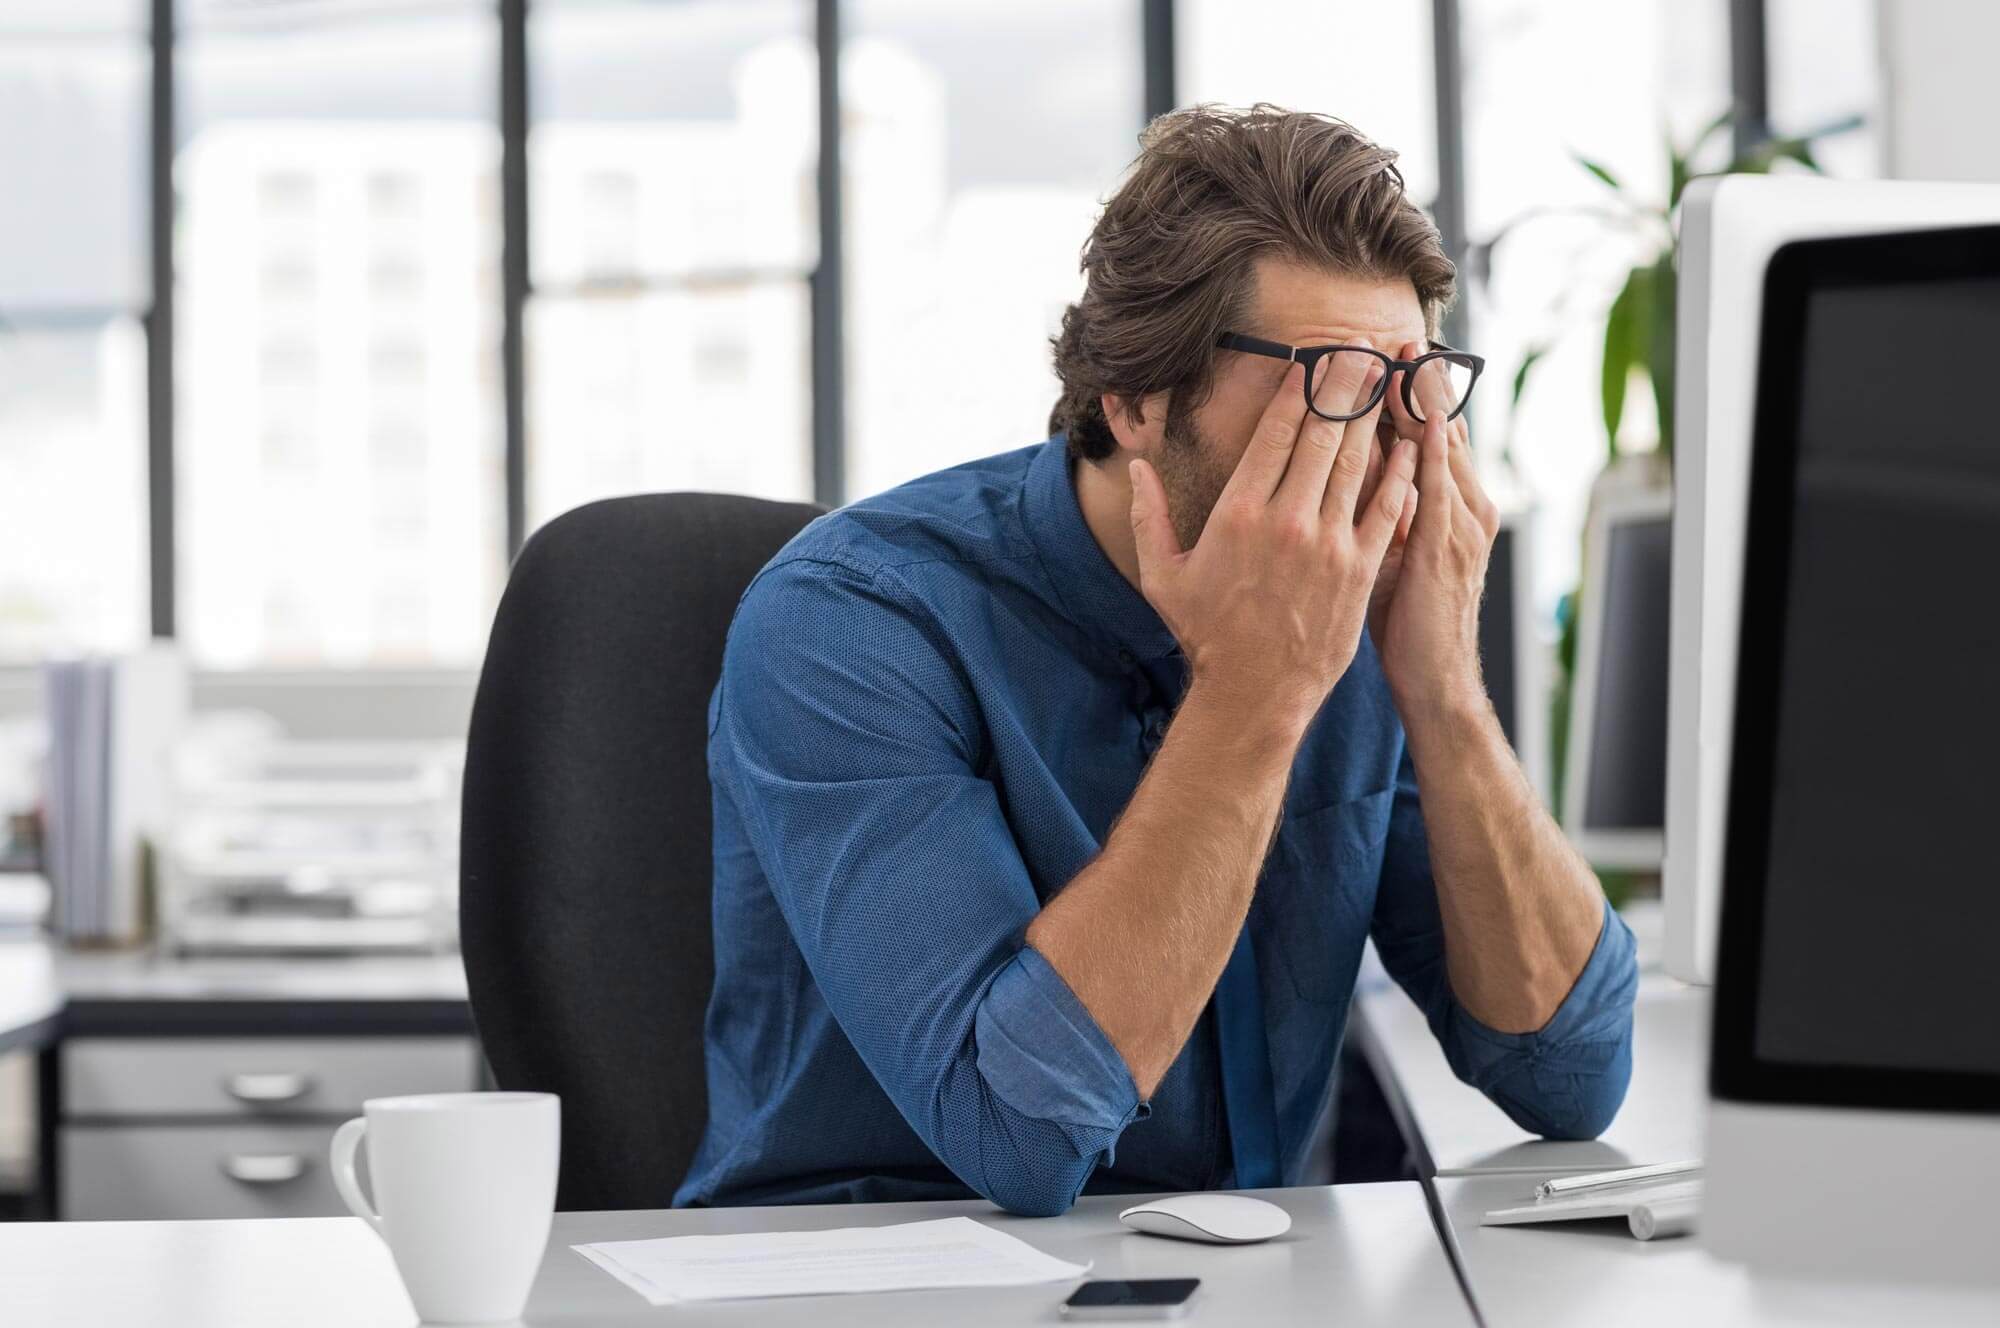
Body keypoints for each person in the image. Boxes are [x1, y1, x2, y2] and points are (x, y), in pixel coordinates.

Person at [676, 104, 1637, 1216]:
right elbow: (1018, 1138)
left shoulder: (1365, 613)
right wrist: (1254, 692)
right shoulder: (850, 622)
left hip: (1247, 1278)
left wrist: (1441, 690)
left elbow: (1569, 1075)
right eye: (1328, 383)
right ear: (1134, 398)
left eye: (1407, 389)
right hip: (872, 1275)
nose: (1375, 452)